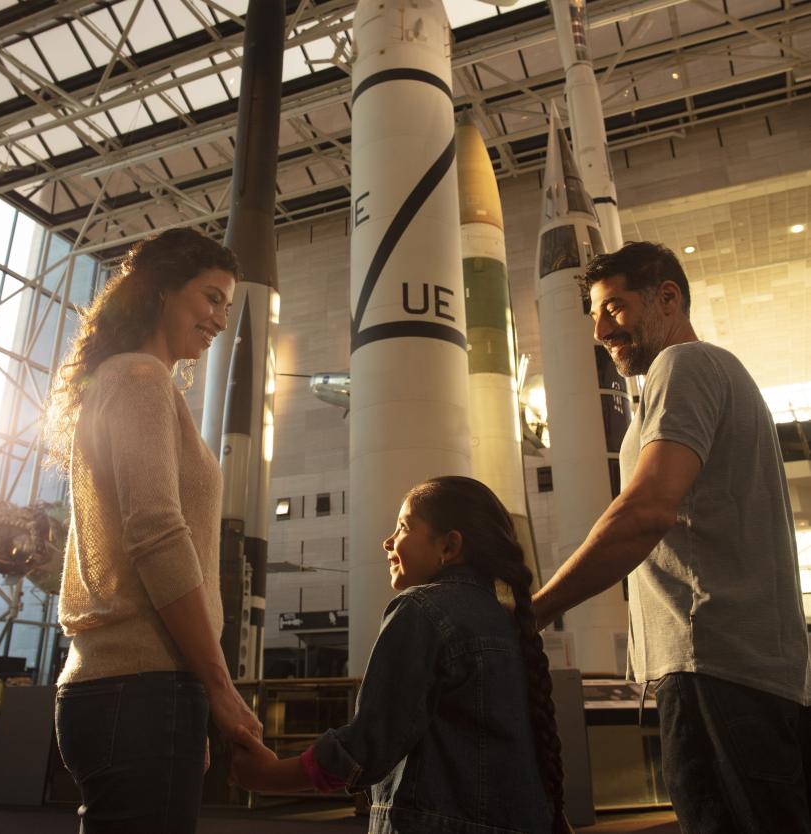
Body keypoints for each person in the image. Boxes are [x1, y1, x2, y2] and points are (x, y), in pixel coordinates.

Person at [532, 241, 811, 833]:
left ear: (667, 297)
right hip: (731, 668)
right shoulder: (710, 373)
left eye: (614, 308)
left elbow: (647, 510)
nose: (601, 330)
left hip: (714, 662)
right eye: (595, 316)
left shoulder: (683, 365)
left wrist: (535, 611)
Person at [44, 228, 261, 834]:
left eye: (226, 303)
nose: (220, 318)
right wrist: (217, 688)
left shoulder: (123, 380)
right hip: (139, 686)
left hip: (126, 688)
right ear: (162, 291)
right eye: (210, 297)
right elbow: (158, 537)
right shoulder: (140, 380)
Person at [229, 475, 570, 834]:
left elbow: (369, 743)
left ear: (449, 546)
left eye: (404, 527)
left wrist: (270, 776)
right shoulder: (507, 623)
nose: (387, 541)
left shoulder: (420, 610)